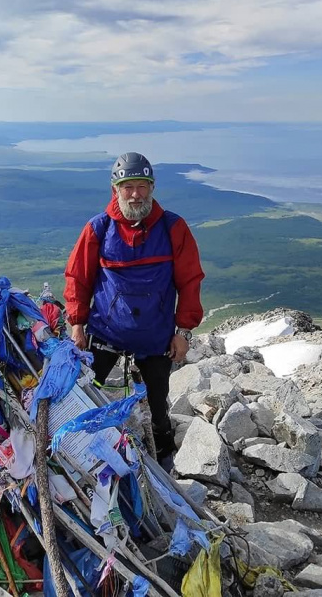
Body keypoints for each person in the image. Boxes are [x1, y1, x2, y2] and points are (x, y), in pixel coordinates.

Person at [64, 152, 205, 468]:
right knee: (86, 395)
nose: (136, 194)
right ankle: (81, 455)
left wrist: (183, 331)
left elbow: (190, 280)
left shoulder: (173, 229)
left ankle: (163, 461)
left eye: (142, 186)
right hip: (105, 332)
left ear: (152, 188)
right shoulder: (99, 229)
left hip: (156, 337)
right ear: (115, 189)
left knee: (157, 404)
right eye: (128, 187)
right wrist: (76, 324)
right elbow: (78, 277)